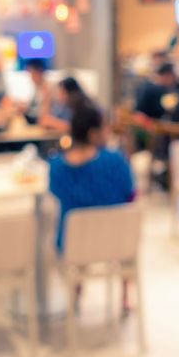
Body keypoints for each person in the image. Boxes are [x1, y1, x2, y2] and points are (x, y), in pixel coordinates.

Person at [47, 104, 134, 251]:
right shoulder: (116, 160)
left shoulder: (56, 167)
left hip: (73, 245)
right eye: (105, 127)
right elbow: (129, 194)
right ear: (93, 134)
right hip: (115, 240)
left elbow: (54, 194)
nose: (109, 131)